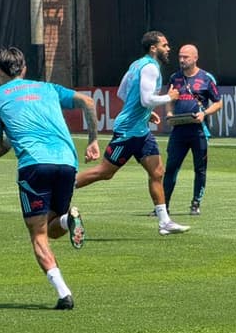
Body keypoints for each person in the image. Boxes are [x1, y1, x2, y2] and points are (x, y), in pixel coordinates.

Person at [0, 47, 99, 310]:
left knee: (38, 233)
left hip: (34, 165)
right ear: (24, 68)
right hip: (67, 162)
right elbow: (88, 102)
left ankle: (64, 294)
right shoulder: (47, 88)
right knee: (54, 228)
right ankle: (68, 218)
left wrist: (14, 139)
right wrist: (93, 140)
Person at [75, 31, 190, 235]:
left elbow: (123, 92)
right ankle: (63, 186)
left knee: (157, 172)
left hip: (141, 130)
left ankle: (164, 222)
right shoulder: (149, 68)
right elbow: (146, 99)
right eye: (165, 45)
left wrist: (146, 113)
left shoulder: (137, 65)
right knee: (105, 172)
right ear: (153, 48)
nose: (168, 48)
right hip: (128, 131)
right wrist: (168, 97)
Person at [162, 44, 223, 215]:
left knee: (200, 168)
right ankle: (163, 205)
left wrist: (204, 114)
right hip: (179, 130)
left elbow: (218, 102)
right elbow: (169, 99)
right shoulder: (175, 78)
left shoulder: (206, 78)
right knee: (172, 167)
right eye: (180, 57)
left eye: (186, 57)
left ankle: (196, 203)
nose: (182, 60)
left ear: (195, 58)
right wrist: (169, 114)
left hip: (198, 131)